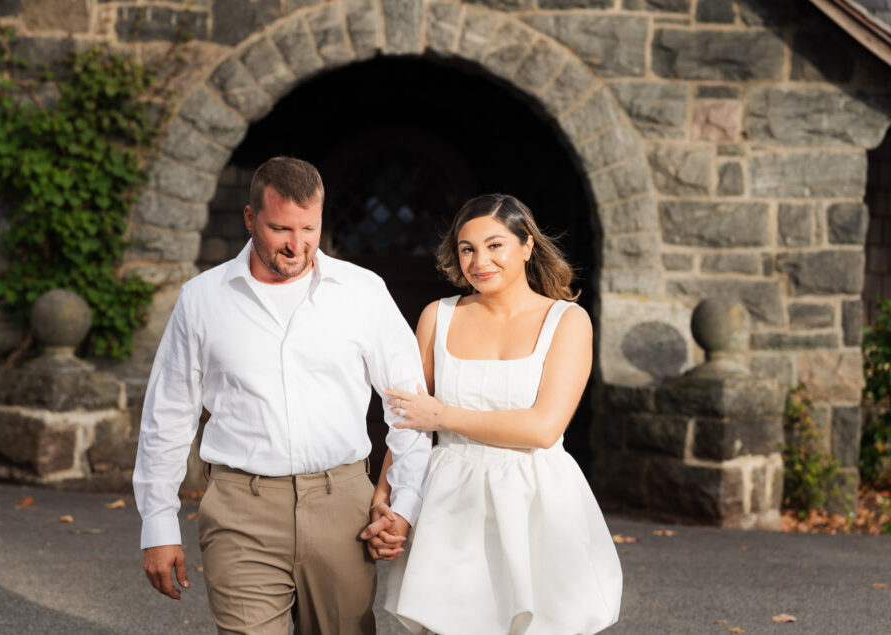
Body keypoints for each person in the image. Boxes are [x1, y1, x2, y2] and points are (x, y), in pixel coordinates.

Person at [133, 156, 430, 635]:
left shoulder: (362, 291)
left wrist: (403, 502)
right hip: (240, 509)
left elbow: (408, 405)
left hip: (343, 507)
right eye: (280, 229)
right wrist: (158, 524)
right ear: (251, 219)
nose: (297, 245)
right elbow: (167, 416)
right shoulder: (202, 299)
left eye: (308, 229)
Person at [375, 194, 623, 634]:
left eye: (494, 246)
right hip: (449, 499)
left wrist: (443, 416)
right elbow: (409, 420)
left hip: (537, 503)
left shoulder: (568, 321)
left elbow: (544, 428)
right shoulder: (438, 316)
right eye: (467, 249)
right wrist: (388, 499)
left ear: (526, 245)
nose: (479, 261)